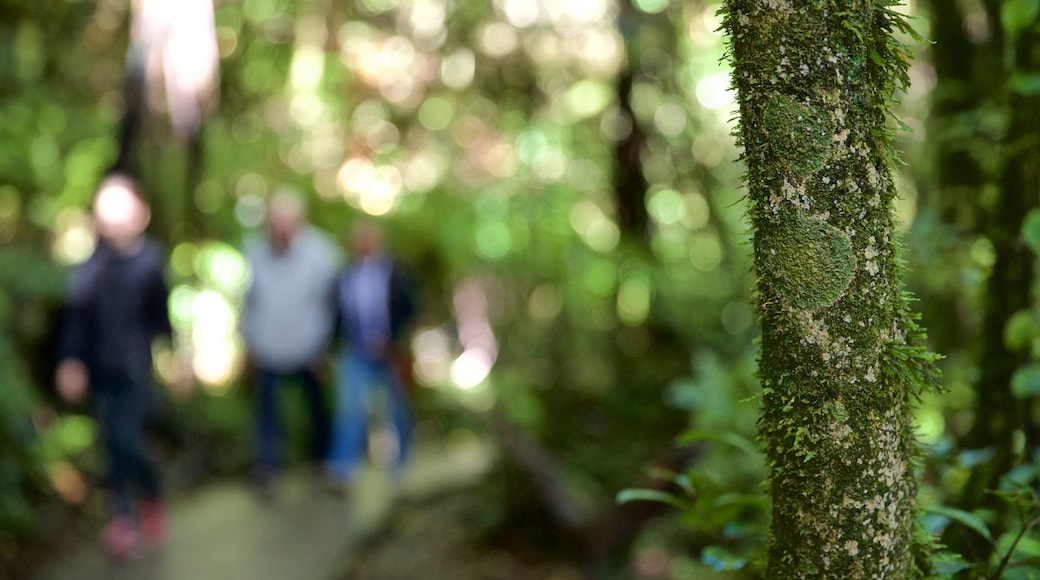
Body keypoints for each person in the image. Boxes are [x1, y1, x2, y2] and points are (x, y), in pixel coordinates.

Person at [55, 173, 171, 560]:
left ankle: (151, 494)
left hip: (135, 371)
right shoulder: (91, 266)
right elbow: (77, 320)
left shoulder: (151, 264)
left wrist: (176, 359)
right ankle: (122, 518)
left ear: (141, 213)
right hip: (101, 371)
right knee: (110, 446)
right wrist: (71, 361)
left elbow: (162, 320)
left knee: (127, 440)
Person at [239, 189, 339, 490]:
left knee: (316, 410)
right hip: (267, 347)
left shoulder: (323, 253)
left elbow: (333, 305)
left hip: (309, 348)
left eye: (287, 222)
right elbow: (247, 302)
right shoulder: (253, 252)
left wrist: (324, 347)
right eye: (275, 223)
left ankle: (321, 462)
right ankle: (268, 467)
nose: (281, 230)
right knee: (267, 413)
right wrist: (248, 343)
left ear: (300, 222)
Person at [326, 221, 416, 486]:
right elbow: (337, 315)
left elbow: (410, 310)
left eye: (368, 239)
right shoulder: (346, 275)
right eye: (359, 239)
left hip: (391, 351)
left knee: (397, 408)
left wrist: (396, 343)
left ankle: (401, 466)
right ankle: (342, 468)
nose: (363, 244)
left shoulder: (397, 273)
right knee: (349, 408)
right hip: (356, 351)